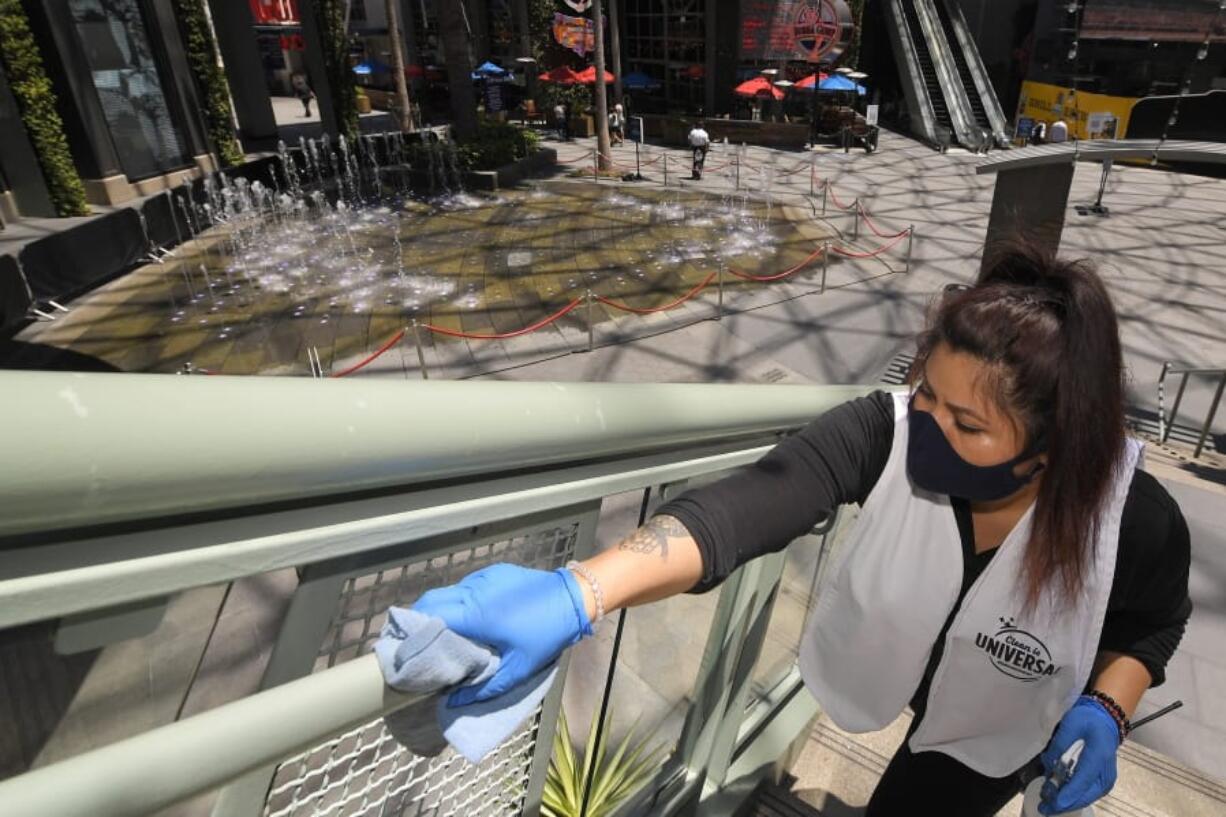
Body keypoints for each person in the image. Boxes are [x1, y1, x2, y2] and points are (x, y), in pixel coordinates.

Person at [408, 242, 1192, 817]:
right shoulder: (883, 432)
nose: (927, 430)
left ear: (1053, 448)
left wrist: (1108, 708)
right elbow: (750, 503)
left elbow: (1155, 622)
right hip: (895, 666)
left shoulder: (1135, 522)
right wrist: (581, 590)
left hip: (1003, 716)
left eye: (967, 424)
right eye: (926, 397)